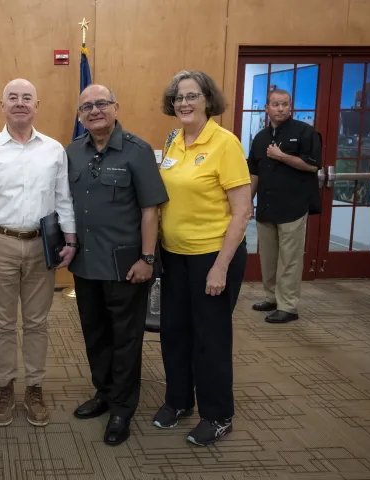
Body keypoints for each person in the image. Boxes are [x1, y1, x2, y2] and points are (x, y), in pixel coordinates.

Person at [0, 78, 77, 427]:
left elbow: (64, 201)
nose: (19, 103)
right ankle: (4, 387)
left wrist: (71, 241)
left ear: (36, 104)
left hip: (41, 245)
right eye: (12, 97)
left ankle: (34, 386)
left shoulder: (54, 150)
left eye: (26, 97)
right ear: (1, 106)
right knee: (1, 322)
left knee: (37, 322)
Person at [66, 85, 168, 446]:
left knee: (126, 339)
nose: (94, 110)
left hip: (127, 265)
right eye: (86, 106)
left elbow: (150, 210)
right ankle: (104, 394)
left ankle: (123, 407)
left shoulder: (137, 151)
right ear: (80, 114)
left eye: (101, 104)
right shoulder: (73, 152)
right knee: (95, 334)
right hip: (86, 263)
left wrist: (147, 259)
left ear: (115, 107)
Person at [155, 70, 251, 446]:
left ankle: (218, 415)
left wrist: (221, 266)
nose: (184, 103)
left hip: (213, 256)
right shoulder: (174, 139)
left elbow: (242, 211)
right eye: (179, 97)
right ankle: (179, 401)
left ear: (208, 100)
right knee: (173, 333)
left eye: (192, 96)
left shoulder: (224, 143)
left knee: (210, 338)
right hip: (174, 256)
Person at [249, 89, 322, 324]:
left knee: (289, 259)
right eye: (275, 104)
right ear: (267, 108)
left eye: (284, 104)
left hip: (293, 207)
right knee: (268, 258)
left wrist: (281, 156)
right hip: (267, 208)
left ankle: (288, 306)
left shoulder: (305, 132)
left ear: (290, 107)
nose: (280, 108)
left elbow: (312, 166)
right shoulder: (260, 137)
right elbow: (254, 172)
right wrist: (247, 202)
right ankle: (272, 298)